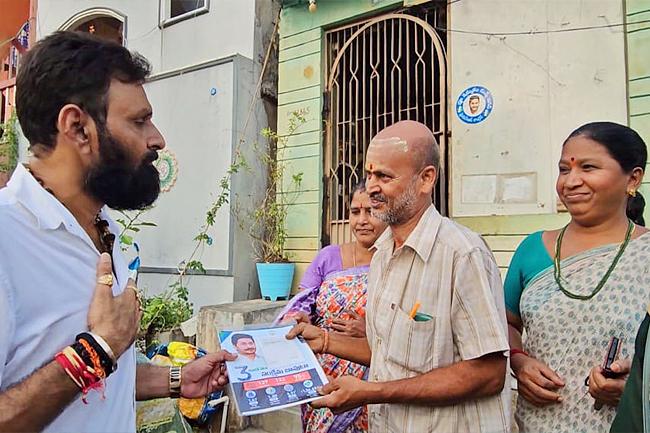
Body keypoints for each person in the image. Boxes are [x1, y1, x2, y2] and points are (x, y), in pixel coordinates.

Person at [0, 31, 235, 432]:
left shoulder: (100, 226)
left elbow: (99, 375)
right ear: (77, 128)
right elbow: (97, 356)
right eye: (139, 121)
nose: (157, 138)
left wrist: (175, 379)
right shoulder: (7, 238)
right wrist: (97, 350)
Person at [287, 120, 511, 432]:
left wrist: (373, 392)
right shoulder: (383, 254)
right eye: (369, 174)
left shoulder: (462, 254)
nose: (371, 188)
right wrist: (325, 340)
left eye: (384, 176)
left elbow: (489, 374)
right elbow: (388, 354)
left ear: (426, 179)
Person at [505, 122, 650, 433]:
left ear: (633, 178)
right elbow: (505, 324)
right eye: (563, 170)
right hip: (537, 422)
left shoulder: (646, 253)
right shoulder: (532, 250)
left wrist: (637, 383)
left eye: (588, 167)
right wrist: (519, 362)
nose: (571, 181)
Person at [277, 180, 388, 433]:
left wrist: (369, 329)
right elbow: (303, 304)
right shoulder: (328, 256)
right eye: (355, 211)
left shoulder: (396, 260)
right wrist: (299, 317)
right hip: (324, 372)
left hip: (372, 376)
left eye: (370, 211)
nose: (362, 220)